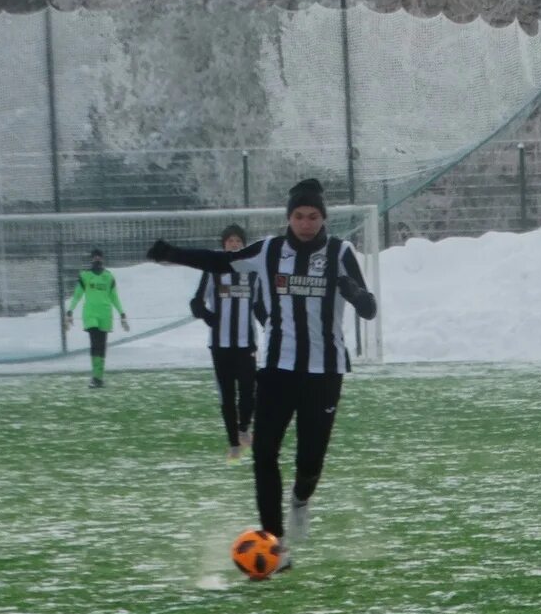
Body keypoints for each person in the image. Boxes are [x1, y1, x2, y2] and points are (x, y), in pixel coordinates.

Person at [147, 179, 377, 571]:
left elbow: (369, 308)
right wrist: (173, 254)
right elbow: (221, 262)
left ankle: (301, 500)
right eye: (299, 216)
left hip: (324, 371)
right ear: (289, 217)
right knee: (265, 453)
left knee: (310, 460)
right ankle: (275, 542)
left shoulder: (340, 253)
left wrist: (353, 291)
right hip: (275, 368)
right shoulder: (269, 250)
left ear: (323, 218)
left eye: (314, 216)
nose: (306, 223)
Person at [190, 224, 267, 463]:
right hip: (220, 345)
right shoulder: (213, 270)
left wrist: (272, 327)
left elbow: (259, 307)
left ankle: (244, 428)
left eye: (238, 241)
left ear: (243, 245)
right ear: (224, 244)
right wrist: (209, 317)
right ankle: (234, 443)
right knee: (227, 394)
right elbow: (196, 302)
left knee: (248, 391)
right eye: (230, 241)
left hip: (246, 344)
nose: (234, 244)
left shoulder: (252, 273)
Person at [66, 247, 129, 388]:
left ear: (102, 258)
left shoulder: (108, 277)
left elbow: (114, 297)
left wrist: (122, 313)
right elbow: (77, 294)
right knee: (95, 343)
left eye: (99, 256)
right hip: (90, 314)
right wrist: (70, 310)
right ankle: (95, 377)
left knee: (101, 345)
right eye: (95, 257)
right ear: (91, 259)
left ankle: (99, 378)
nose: (97, 259)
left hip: (105, 314)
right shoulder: (85, 276)